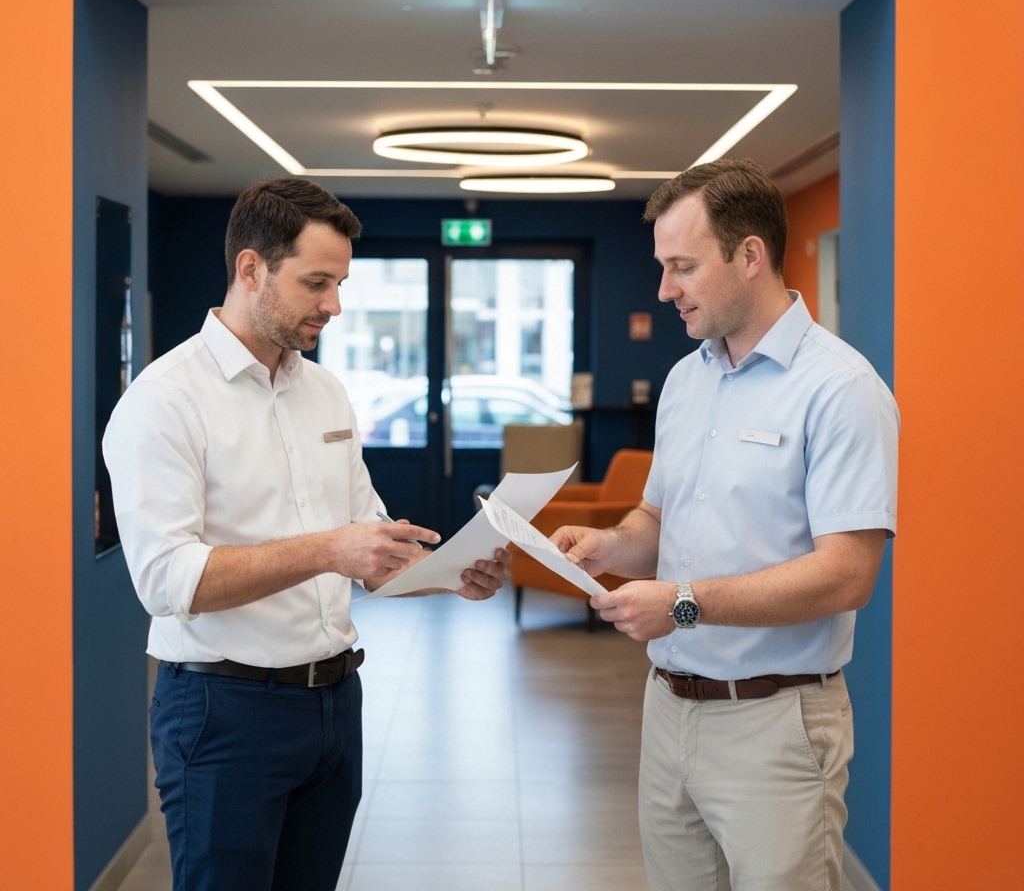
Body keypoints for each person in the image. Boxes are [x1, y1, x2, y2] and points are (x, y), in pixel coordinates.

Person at [103, 177, 510, 891]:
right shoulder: (163, 402)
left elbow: (370, 549)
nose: (336, 305)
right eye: (317, 282)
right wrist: (330, 548)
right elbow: (167, 582)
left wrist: (452, 573)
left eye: (341, 282)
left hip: (333, 708)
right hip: (220, 715)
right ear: (250, 269)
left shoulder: (325, 391)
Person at [552, 159, 898, 891]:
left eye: (682, 267)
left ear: (750, 256)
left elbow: (848, 574)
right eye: (662, 267)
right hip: (669, 706)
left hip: (776, 722)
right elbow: (657, 515)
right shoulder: (687, 379)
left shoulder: (842, 390)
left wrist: (682, 601)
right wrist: (612, 544)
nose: (663, 289)